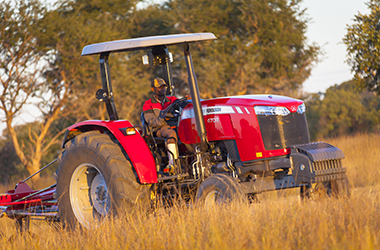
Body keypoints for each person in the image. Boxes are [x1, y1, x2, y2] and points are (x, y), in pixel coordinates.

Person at [142, 78, 179, 173]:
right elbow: (152, 122)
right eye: (159, 87)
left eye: (164, 87)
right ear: (153, 89)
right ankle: (172, 164)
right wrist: (164, 119)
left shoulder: (171, 100)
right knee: (171, 133)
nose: (162, 89)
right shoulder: (148, 104)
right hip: (158, 129)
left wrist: (189, 99)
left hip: (173, 125)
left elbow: (182, 104)